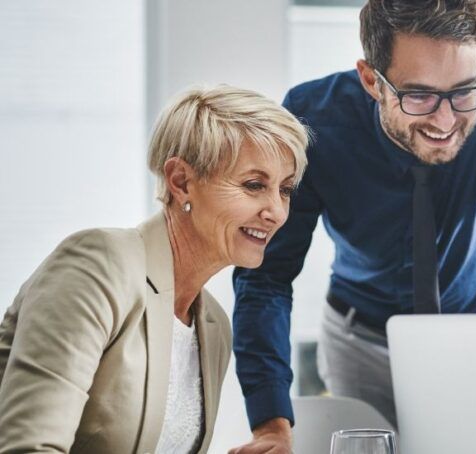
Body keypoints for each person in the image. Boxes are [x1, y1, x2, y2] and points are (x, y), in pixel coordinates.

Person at [229, 0, 476, 451]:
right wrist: (269, 421)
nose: (445, 120)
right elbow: (265, 275)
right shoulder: (312, 119)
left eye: (463, 90)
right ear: (371, 80)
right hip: (358, 339)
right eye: (419, 95)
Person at [0, 85, 308, 454]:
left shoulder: (212, 325)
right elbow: (27, 448)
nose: (276, 211)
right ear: (181, 182)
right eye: (254, 185)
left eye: (285, 189)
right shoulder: (98, 267)